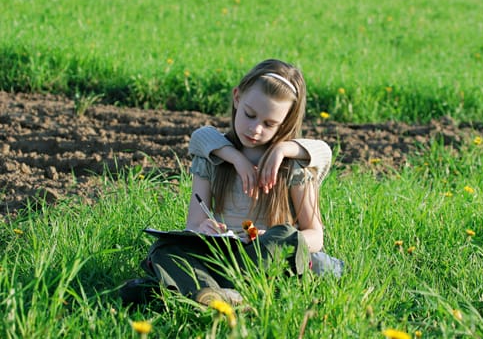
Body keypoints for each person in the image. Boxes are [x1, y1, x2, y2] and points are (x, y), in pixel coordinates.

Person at [120, 59, 339, 307]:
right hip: (223, 255)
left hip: (266, 259)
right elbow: (193, 223)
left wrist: (282, 150)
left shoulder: (292, 165)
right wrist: (205, 229)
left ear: (285, 122)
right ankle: (233, 295)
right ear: (237, 98)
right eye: (249, 115)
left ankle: (184, 291)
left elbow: (315, 236)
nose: (255, 129)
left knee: (287, 239)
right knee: (165, 248)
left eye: (269, 124)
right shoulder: (214, 159)